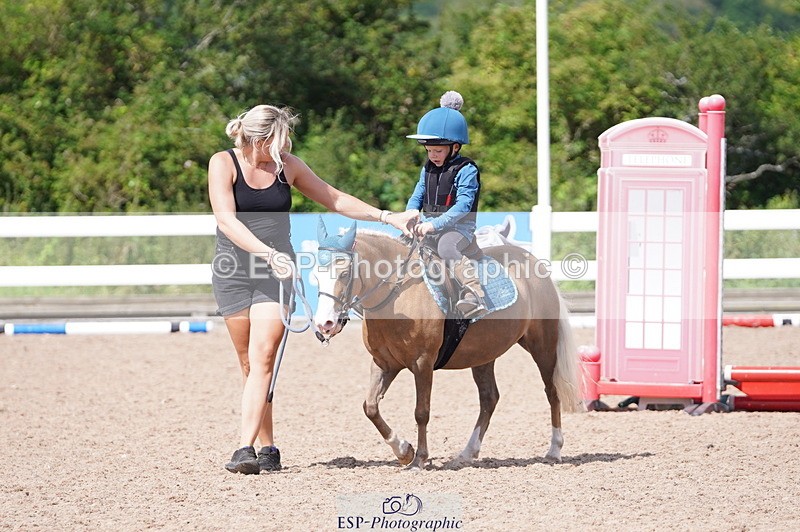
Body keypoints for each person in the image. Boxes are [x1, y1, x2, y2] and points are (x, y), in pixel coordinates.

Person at [208, 104, 417, 474]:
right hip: (234, 272)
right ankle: (268, 447)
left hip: (277, 272)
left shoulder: (288, 166)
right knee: (249, 363)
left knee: (264, 357)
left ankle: (243, 449)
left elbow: (334, 198)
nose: (283, 149)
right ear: (257, 139)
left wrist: (387, 217)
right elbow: (226, 222)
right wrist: (265, 253)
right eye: (277, 141)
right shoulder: (223, 163)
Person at [405, 91, 487, 319]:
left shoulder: (467, 170)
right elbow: (418, 194)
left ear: (456, 147)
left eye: (438, 150)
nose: (433, 155)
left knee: (445, 248)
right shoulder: (427, 168)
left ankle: (474, 292)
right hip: (431, 225)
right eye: (429, 150)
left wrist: (434, 225)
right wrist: (411, 213)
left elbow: (463, 205)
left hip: (458, 230)